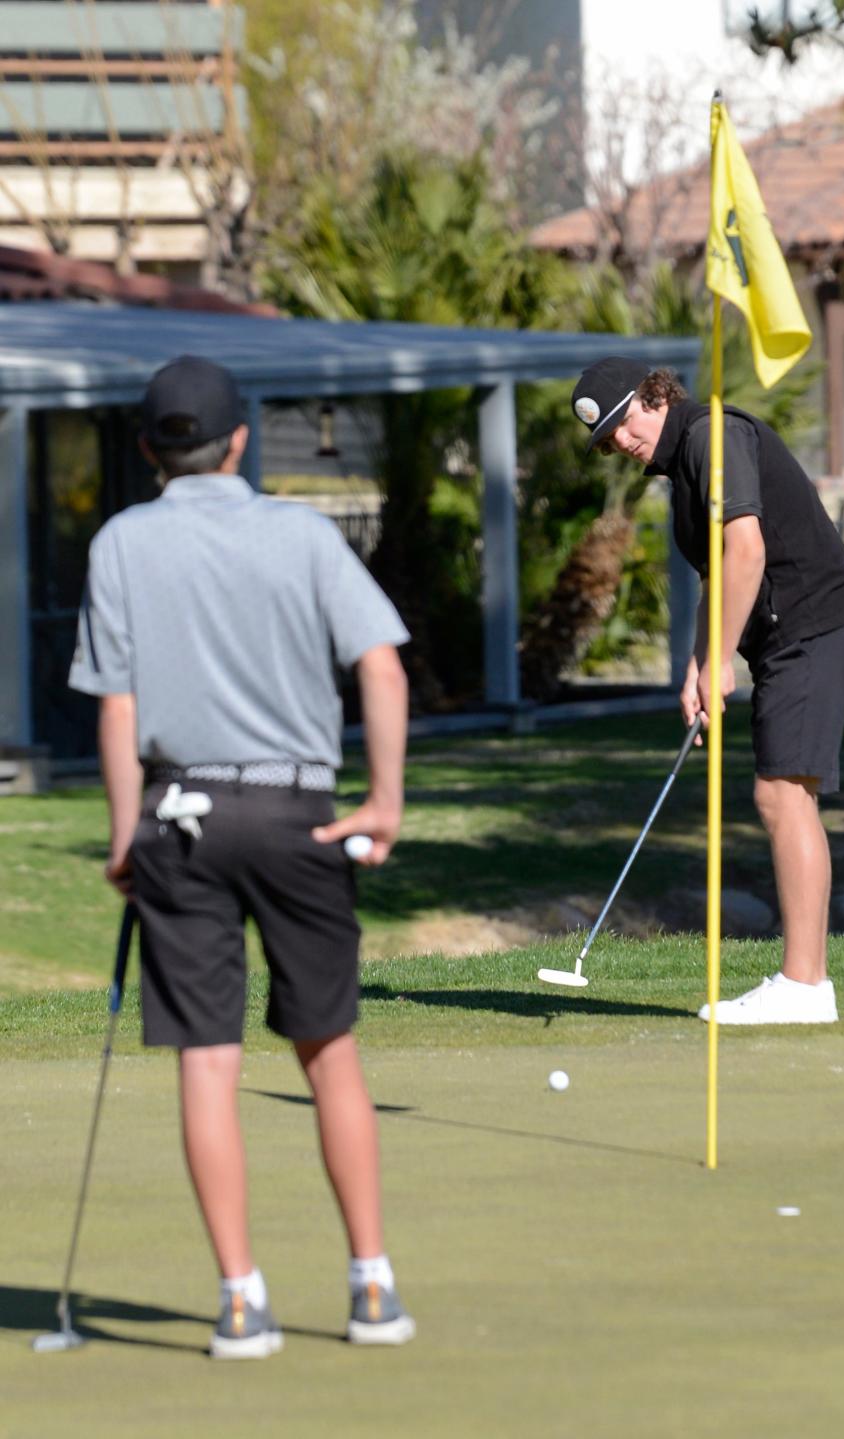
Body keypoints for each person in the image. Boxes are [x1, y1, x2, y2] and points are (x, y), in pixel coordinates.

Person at [70, 355, 415, 1357]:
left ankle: (239, 1301)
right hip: (300, 813)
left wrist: (126, 831)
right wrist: (385, 801)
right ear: (240, 439)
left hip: (181, 817)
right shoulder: (302, 532)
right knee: (330, 1052)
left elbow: (120, 705)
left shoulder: (121, 540)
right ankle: (372, 1288)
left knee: (208, 1064)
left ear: (147, 450)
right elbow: (381, 665)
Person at [571, 358, 844, 1025]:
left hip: (818, 629)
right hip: (797, 638)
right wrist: (699, 660)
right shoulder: (683, 466)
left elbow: (747, 551)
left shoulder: (712, 434)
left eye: (623, 421)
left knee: (781, 793)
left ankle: (804, 984)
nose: (621, 441)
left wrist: (720, 658)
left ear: (654, 395)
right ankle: (806, 982)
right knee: (783, 793)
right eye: (609, 440)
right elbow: (718, 573)